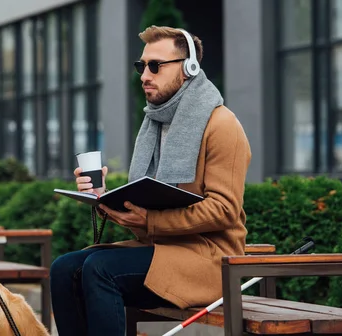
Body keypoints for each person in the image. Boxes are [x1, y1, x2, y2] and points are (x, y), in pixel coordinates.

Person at [49, 25, 252, 336]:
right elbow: (150, 205)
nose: (144, 75)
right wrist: (104, 198)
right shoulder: (155, 125)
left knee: (99, 270)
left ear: (189, 69)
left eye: (155, 66)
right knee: (64, 269)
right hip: (161, 250)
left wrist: (151, 220)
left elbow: (224, 210)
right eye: (141, 66)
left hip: (208, 259)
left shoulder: (222, 125)